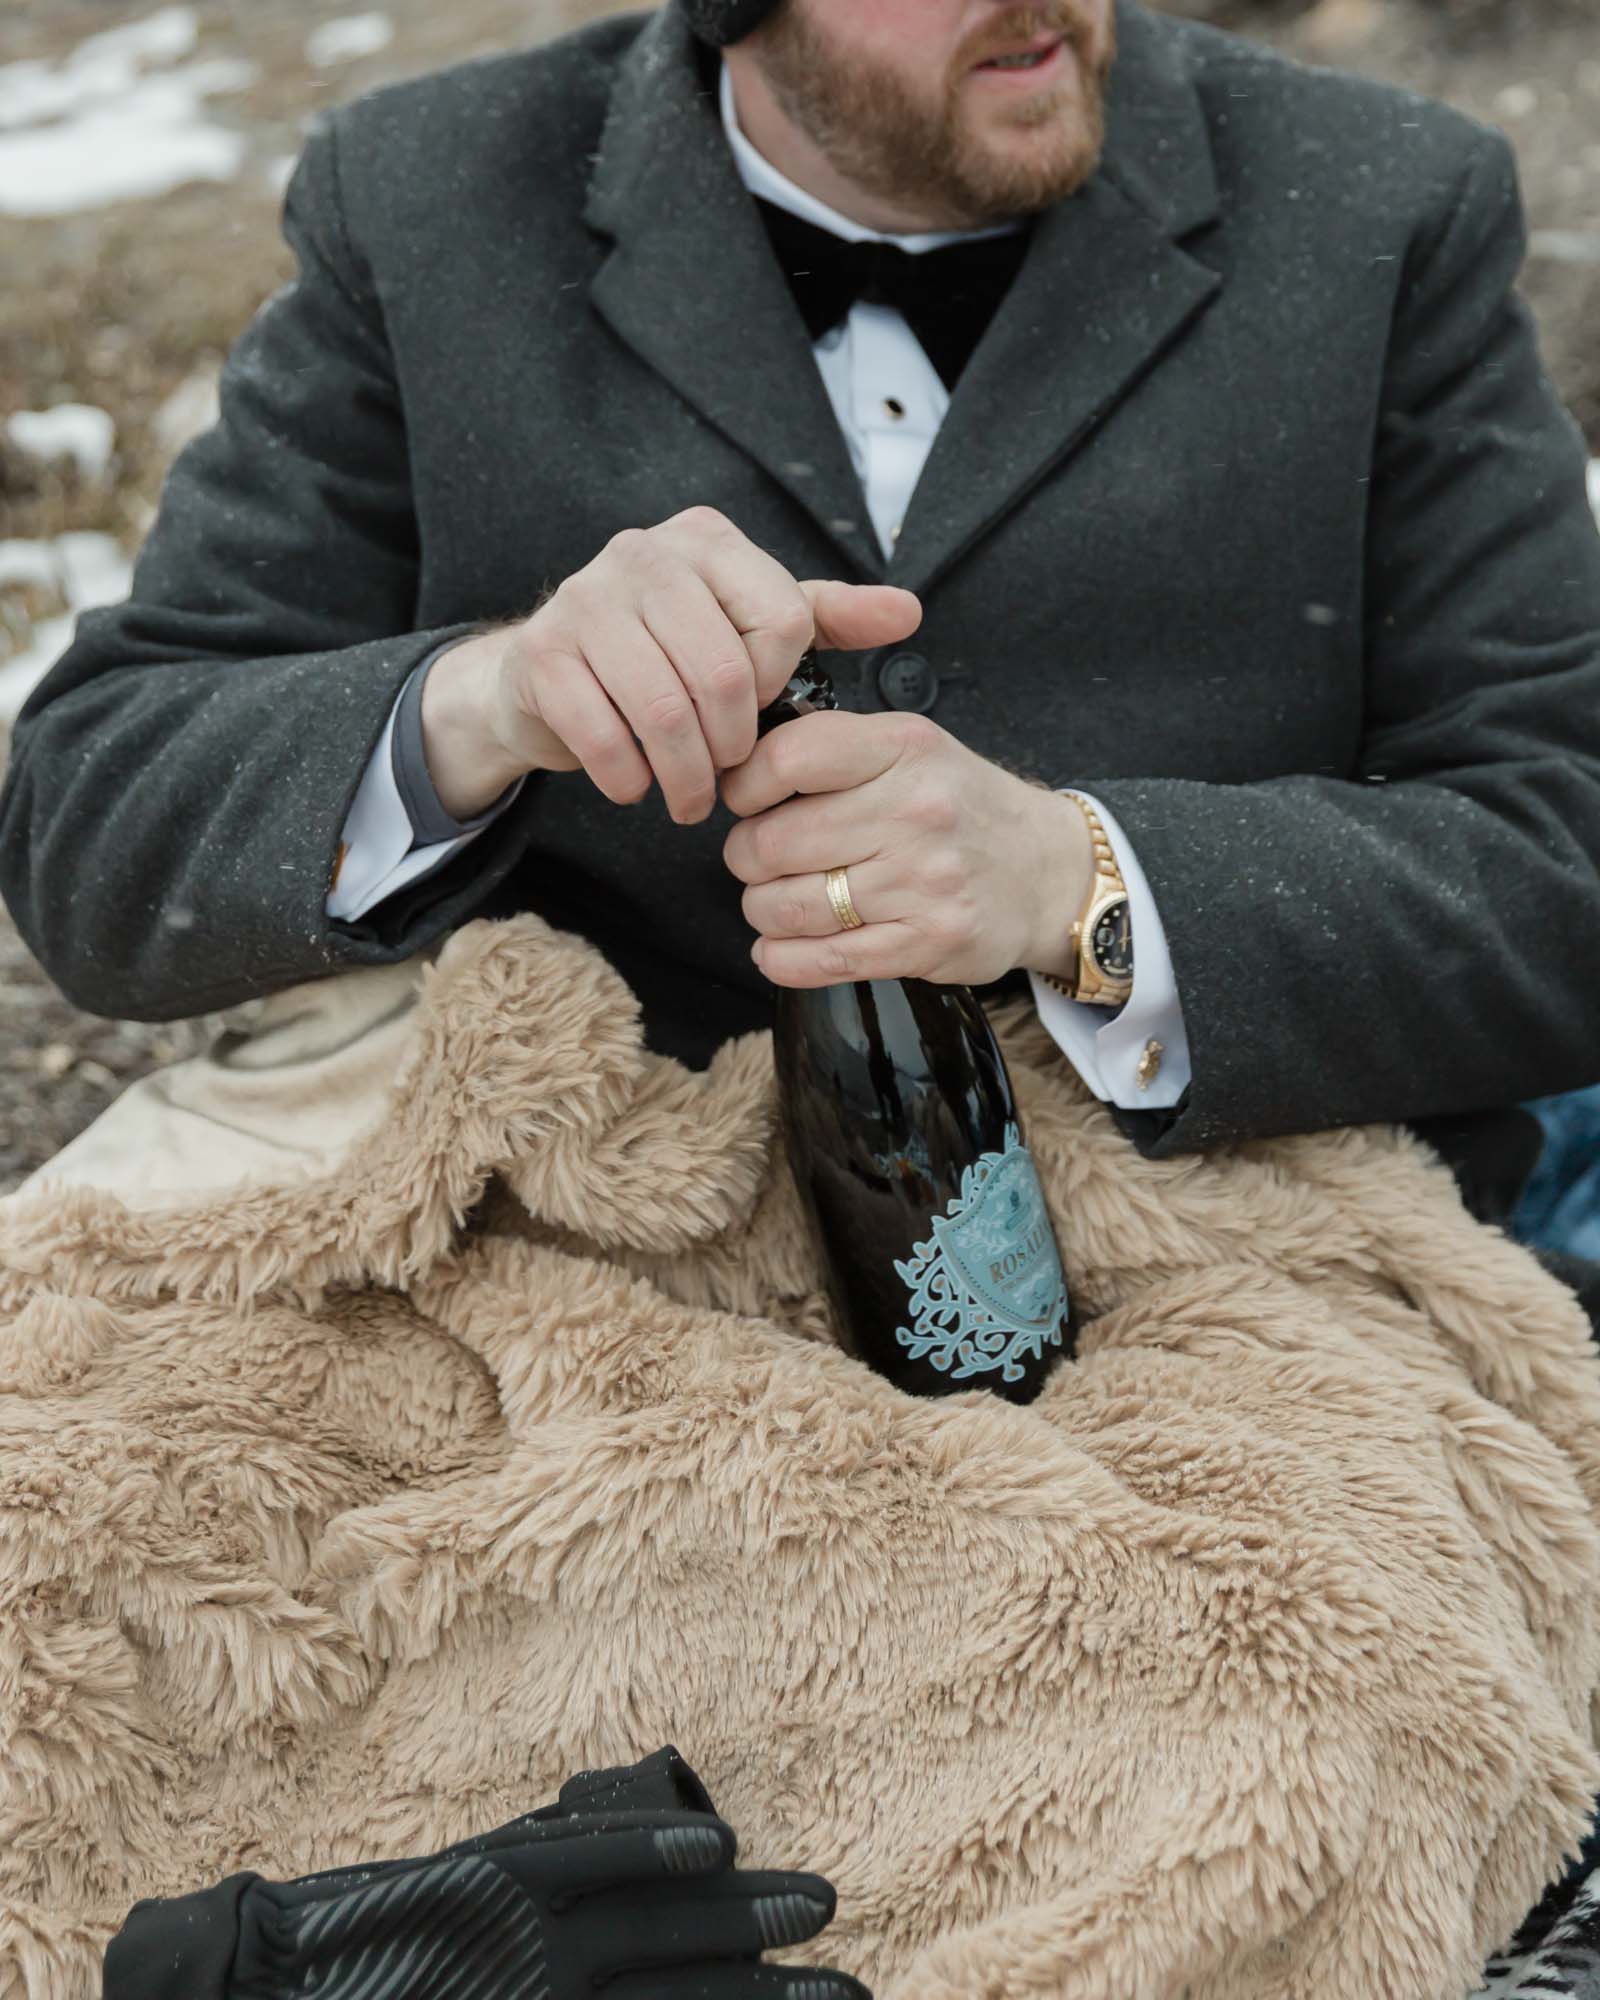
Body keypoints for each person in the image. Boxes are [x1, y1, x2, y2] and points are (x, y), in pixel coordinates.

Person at [3, 0, 1600, 1984]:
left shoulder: (1378, 202)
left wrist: (1078, 882)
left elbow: (1562, 852)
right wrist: (477, 701)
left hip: (1209, 1263)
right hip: (583, 1264)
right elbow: (92, 827)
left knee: (1299, 1759)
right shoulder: (426, 201)